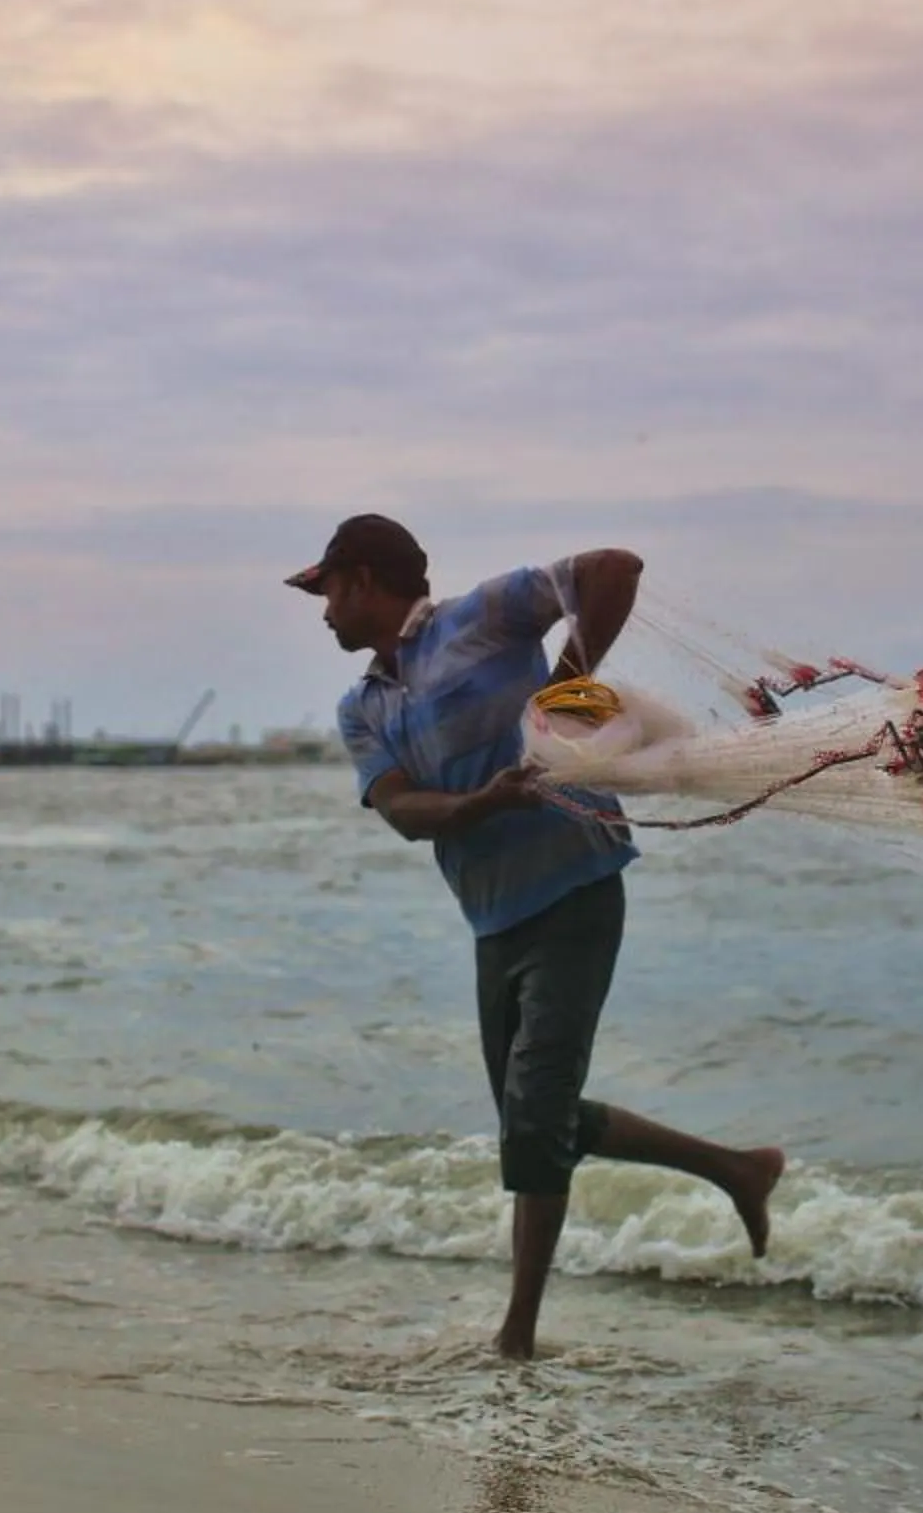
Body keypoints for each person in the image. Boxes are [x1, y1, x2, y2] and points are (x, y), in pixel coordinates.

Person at [288, 514, 784, 1359]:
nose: (322, 610)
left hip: (578, 887)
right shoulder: (360, 706)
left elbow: (613, 569)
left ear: (362, 580)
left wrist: (564, 701)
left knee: (533, 1120)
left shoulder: (479, 617)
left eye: (326, 591)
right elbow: (405, 810)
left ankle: (515, 1337)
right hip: (491, 919)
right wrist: (485, 803)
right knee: (534, 1122)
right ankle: (738, 1168)